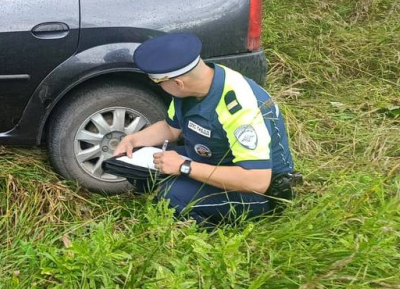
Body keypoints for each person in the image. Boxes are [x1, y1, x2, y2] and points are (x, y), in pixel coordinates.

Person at [114, 32, 298, 225]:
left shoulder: (239, 107)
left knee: (171, 195)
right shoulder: (193, 87)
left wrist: (184, 167)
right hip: (212, 158)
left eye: (158, 83)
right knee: (137, 155)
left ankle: (205, 231)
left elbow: (257, 181)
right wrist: (133, 140)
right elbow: (170, 129)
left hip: (257, 191)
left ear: (178, 83)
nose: (158, 87)